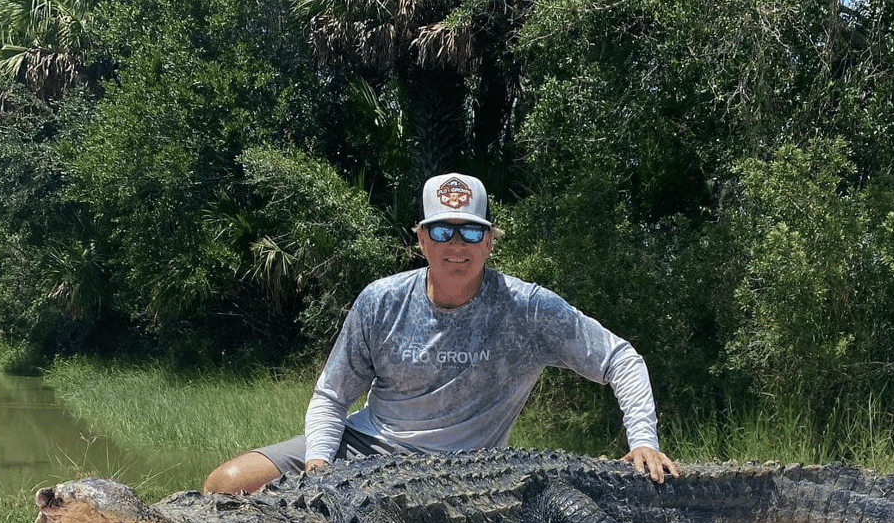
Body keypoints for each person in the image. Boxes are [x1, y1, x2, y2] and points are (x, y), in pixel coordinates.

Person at [203, 172, 680, 494]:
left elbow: (620, 358)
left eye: (471, 233)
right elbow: (331, 397)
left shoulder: (528, 308)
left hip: (466, 474)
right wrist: (320, 467)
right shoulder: (380, 301)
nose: (457, 245)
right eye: (442, 231)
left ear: (490, 240)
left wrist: (643, 440)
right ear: (420, 237)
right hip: (365, 447)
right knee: (225, 484)